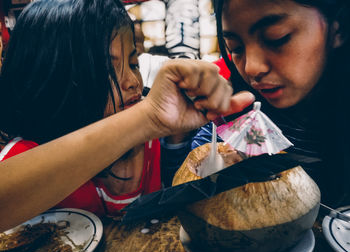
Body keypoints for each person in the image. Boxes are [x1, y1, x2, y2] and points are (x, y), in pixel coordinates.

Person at [0, 0, 254, 232]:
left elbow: (169, 181)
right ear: (51, 79)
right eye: (104, 70)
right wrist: (146, 120)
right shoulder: (24, 157)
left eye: (133, 64)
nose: (132, 81)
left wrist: (175, 137)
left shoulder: (147, 138)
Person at [192, 0, 350, 207]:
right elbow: (188, 183)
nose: (251, 68)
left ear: (339, 29)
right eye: (236, 48)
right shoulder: (234, 108)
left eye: (276, 38)